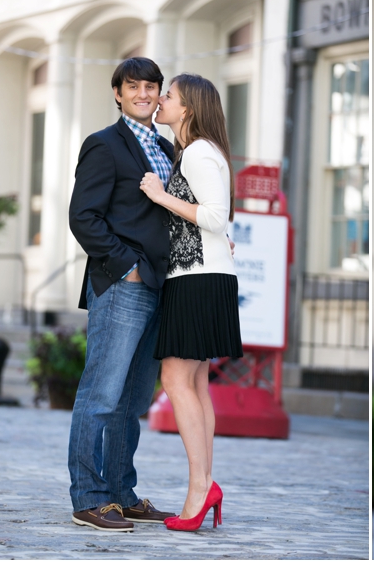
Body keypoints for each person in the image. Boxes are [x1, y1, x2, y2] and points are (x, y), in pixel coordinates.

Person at [68, 57, 177, 531]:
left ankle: (120, 492)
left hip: (162, 284)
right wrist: (125, 265)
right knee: (102, 394)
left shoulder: (168, 148)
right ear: (117, 93)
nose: (143, 93)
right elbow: (83, 217)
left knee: (133, 401)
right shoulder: (104, 145)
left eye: (151, 86)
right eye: (133, 86)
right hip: (123, 285)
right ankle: (89, 496)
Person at [139, 73, 242, 532]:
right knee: (195, 383)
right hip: (205, 276)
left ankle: (200, 489)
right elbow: (215, 222)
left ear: (190, 108)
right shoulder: (198, 152)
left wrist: (161, 196)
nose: (160, 100)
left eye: (169, 96)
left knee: (176, 378)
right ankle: (204, 485)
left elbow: (217, 216)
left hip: (197, 280)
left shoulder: (199, 152)